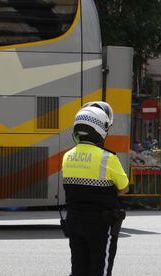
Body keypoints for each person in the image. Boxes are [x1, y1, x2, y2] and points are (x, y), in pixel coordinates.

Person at [62, 101, 129, 276]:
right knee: (100, 268)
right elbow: (124, 188)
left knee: (78, 268)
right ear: (100, 129)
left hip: (74, 221)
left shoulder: (67, 157)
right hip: (101, 224)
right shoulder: (108, 158)